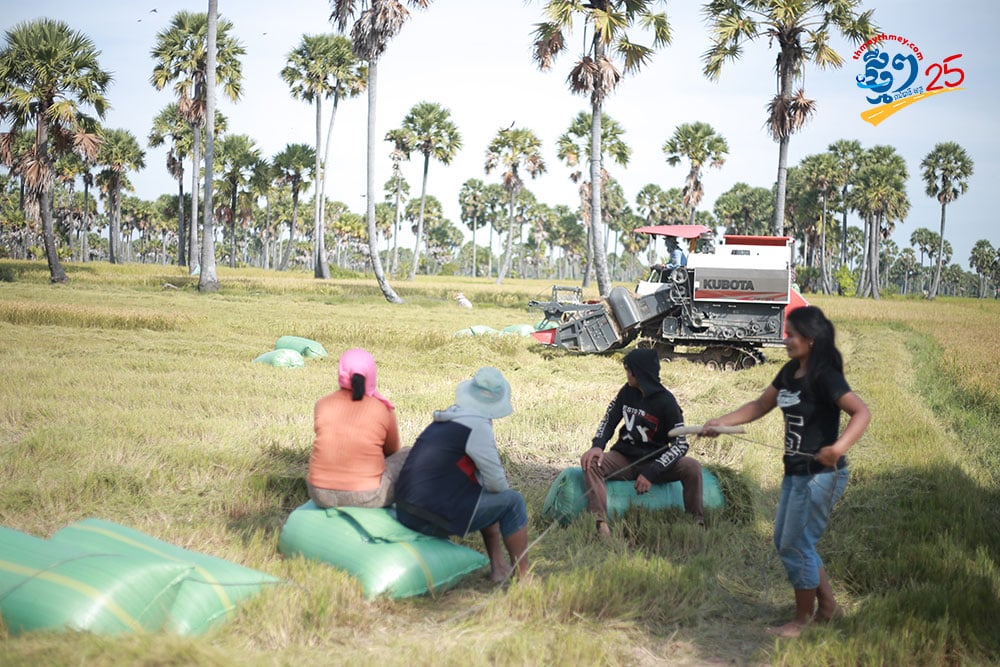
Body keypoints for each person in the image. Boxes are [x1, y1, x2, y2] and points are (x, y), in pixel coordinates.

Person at [701, 305, 871, 638]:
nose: (786, 338)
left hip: (822, 476)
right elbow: (759, 406)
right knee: (787, 539)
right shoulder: (790, 372)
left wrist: (837, 449)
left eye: (791, 334)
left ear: (810, 338)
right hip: (795, 472)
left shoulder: (825, 375)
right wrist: (721, 423)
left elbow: (861, 413)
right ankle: (829, 607)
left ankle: (802, 621)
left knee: (796, 543)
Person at [394, 366, 530, 582]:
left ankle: (498, 567)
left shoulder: (449, 417)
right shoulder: (478, 426)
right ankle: (524, 577)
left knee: (488, 495)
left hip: (406, 509)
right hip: (428, 516)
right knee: (512, 502)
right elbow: (497, 484)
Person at [581, 347, 705, 538]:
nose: (627, 374)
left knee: (693, 467)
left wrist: (651, 472)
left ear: (639, 373)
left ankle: (696, 522)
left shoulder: (667, 402)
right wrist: (597, 445)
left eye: (629, 370)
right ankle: (600, 524)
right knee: (590, 462)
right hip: (624, 458)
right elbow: (609, 419)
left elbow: (681, 445)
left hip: (656, 462)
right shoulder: (627, 391)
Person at [307, 348, 409, 509]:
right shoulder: (382, 408)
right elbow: (392, 451)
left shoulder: (322, 404)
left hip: (319, 493)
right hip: (368, 497)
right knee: (408, 454)